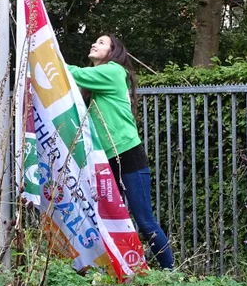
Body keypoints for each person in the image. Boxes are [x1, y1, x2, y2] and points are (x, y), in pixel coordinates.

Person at [67, 34, 174, 269]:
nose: (94, 44)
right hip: (105, 158)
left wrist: (47, 59)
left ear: (114, 52)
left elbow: (72, 73)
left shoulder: (114, 71)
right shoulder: (96, 82)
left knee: (145, 220)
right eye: (95, 41)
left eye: (101, 42)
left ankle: (170, 274)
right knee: (108, 220)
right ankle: (122, 270)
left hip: (127, 154)